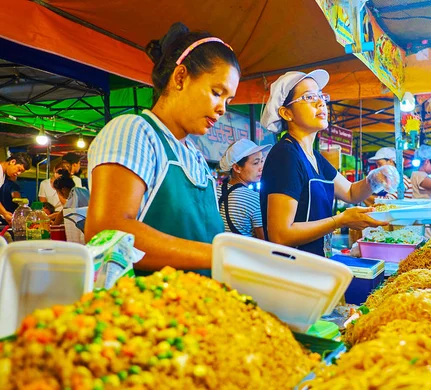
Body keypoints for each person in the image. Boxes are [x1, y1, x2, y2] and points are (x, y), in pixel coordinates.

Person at [86, 22, 240, 273]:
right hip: (146, 305)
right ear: (180, 77)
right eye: (216, 92)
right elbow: (107, 231)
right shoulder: (134, 131)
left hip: (199, 305)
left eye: (228, 100)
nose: (223, 108)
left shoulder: (196, 158)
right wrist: (223, 256)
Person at [260, 70, 398, 257]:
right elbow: (280, 234)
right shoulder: (285, 155)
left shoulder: (314, 157)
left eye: (321, 96)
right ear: (286, 113)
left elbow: (350, 193)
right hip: (291, 272)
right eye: (309, 97)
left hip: (314, 264)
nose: (320, 102)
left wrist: (375, 179)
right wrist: (339, 220)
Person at [217, 139, 271, 238]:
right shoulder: (254, 198)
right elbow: (264, 241)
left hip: (218, 251)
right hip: (242, 253)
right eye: (256, 163)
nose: (261, 167)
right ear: (237, 168)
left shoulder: (215, 192)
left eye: (262, 161)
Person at [0, 152, 31, 223]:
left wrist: (5, 214)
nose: (18, 173)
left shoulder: (3, 175)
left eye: (21, 172)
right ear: (12, 162)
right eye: (19, 169)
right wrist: (4, 213)